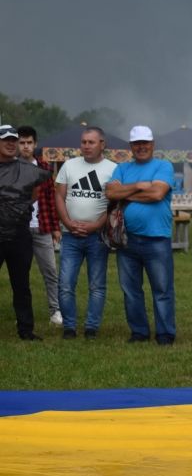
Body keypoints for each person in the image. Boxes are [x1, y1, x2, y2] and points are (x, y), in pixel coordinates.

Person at [105, 125, 176, 345]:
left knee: (162, 289)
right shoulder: (122, 168)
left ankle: (165, 334)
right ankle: (139, 332)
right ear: (131, 146)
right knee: (130, 290)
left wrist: (126, 196)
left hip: (157, 238)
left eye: (145, 143)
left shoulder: (164, 166)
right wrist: (138, 185)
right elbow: (110, 193)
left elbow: (157, 193)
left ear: (152, 144)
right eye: (137, 143)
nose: (141, 147)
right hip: (127, 239)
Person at [53, 127, 116, 340]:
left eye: (91, 142)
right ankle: (69, 327)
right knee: (65, 284)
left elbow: (114, 206)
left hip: (98, 237)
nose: (86, 146)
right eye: (83, 142)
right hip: (70, 236)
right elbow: (59, 197)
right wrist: (69, 224)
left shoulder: (113, 169)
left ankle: (91, 328)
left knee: (97, 285)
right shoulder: (69, 166)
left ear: (102, 144)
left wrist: (97, 225)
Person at [0, 124, 52, 340]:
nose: (11, 143)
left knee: (21, 284)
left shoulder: (29, 169)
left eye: (14, 140)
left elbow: (35, 193)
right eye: (6, 140)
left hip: (20, 234)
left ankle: (26, 329)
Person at [17, 126, 61, 326]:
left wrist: (55, 228)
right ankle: (23, 315)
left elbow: (51, 200)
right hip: (19, 229)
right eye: (22, 142)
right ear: (17, 145)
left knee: (51, 271)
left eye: (29, 143)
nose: (25, 146)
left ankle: (56, 310)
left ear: (35, 144)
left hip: (42, 226)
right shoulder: (10, 168)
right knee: (20, 274)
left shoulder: (44, 167)